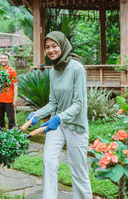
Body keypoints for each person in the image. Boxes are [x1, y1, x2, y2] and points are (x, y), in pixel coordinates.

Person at [26, 31, 92, 199]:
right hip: (58, 125)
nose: (51, 50)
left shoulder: (77, 69)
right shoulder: (54, 71)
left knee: (78, 171)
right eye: (47, 47)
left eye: (54, 46)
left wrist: (57, 118)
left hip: (76, 126)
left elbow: (79, 104)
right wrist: (37, 114)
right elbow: (54, 103)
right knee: (48, 162)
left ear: (62, 45)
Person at [0, 53, 18, 130]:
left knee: (11, 121)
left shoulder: (12, 71)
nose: (3, 60)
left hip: (9, 100)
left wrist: (15, 99)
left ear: (8, 60)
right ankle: (2, 137)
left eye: (5, 58)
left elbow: (15, 86)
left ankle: (11, 136)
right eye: (1, 58)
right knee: (0, 121)